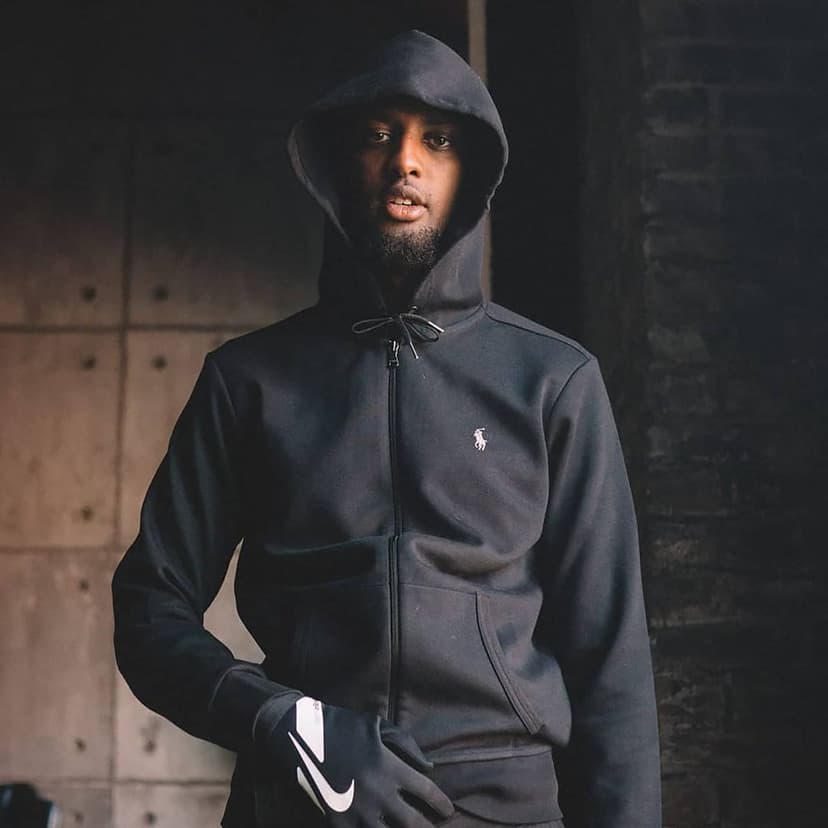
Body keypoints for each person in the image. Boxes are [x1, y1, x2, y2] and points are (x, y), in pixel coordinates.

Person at [112, 30, 661, 828]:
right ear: (337, 165)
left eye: (437, 140)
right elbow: (148, 611)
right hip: (301, 804)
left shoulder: (554, 379)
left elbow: (610, 657)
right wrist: (286, 724)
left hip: (504, 805)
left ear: (472, 173)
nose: (405, 161)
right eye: (378, 136)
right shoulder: (248, 380)